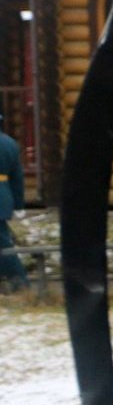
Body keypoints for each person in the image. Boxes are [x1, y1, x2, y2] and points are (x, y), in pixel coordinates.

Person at [0, 110, 26, 292]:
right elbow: (17, 178)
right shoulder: (10, 144)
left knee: (3, 242)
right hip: (4, 195)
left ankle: (21, 282)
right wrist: (18, 204)